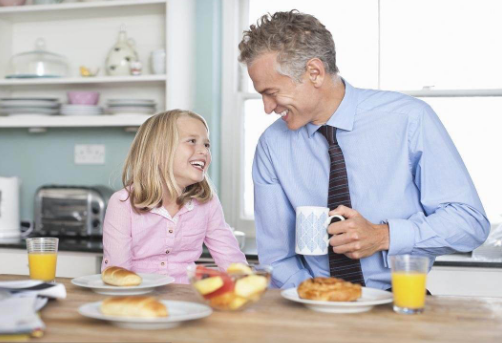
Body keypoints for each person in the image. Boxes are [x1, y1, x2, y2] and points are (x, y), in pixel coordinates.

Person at [238, 10, 490, 290]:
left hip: (398, 301)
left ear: (314, 72)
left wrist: (384, 236)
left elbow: (470, 223)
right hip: (311, 304)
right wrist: (322, 298)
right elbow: (277, 259)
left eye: (271, 92)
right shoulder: (272, 146)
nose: (267, 108)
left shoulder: (409, 119)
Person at [102, 109, 247, 283]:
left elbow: (230, 258)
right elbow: (118, 273)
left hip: (186, 298)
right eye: (192, 141)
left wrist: (247, 283)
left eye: (206, 145)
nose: (204, 151)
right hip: (136, 296)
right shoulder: (122, 203)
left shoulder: (207, 203)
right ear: (159, 150)